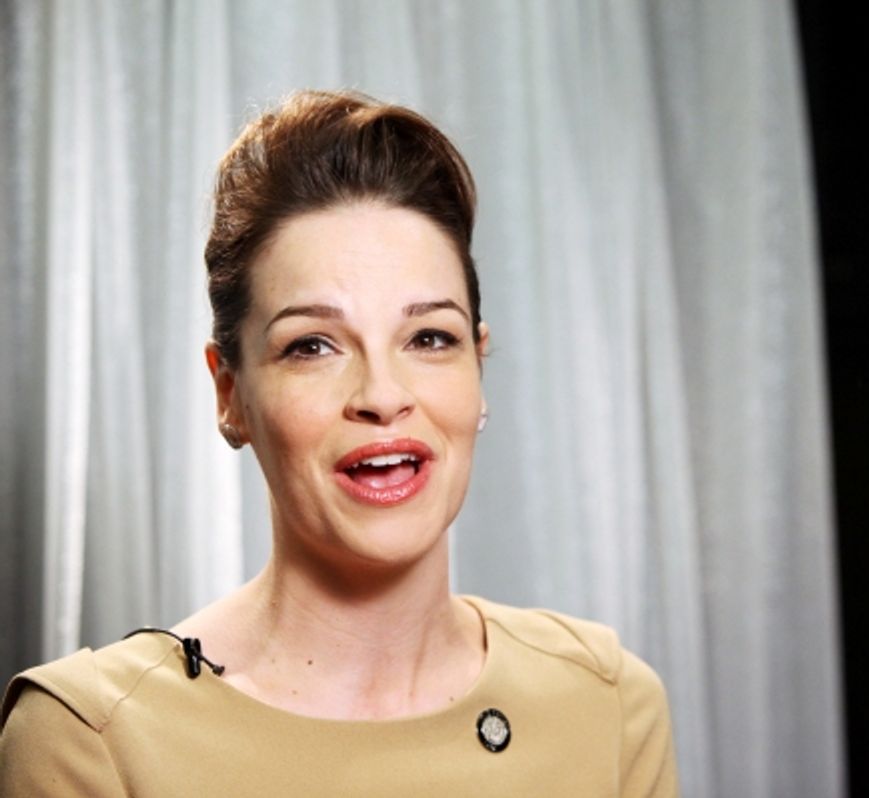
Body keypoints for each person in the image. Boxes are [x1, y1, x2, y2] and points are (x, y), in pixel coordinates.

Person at [0, 90, 677, 796]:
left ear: (478, 369)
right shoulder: (91, 738)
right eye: (313, 346)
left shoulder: (608, 704)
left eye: (429, 337)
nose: (383, 396)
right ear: (229, 393)